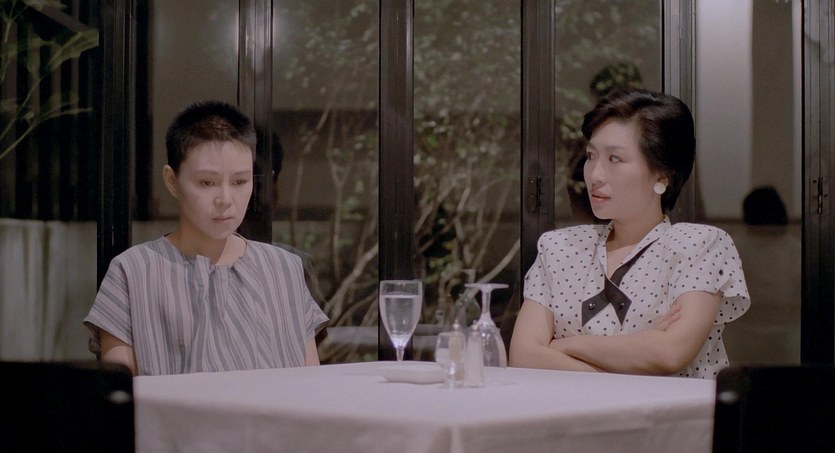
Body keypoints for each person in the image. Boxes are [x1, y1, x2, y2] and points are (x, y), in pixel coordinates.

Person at [509, 88, 750, 379]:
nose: (595, 175)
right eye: (591, 156)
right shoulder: (559, 247)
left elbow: (670, 353)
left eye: (615, 159)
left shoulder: (699, 245)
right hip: (567, 408)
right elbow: (523, 355)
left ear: (662, 175)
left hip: (674, 409)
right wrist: (635, 354)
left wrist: (566, 345)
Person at [83, 101, 328, 376]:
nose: (225, 199)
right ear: (171, 180)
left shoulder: (285, 269)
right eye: (207, 183)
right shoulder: (132, 271)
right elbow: (120, 394)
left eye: (240, 182)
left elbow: (311, 384)